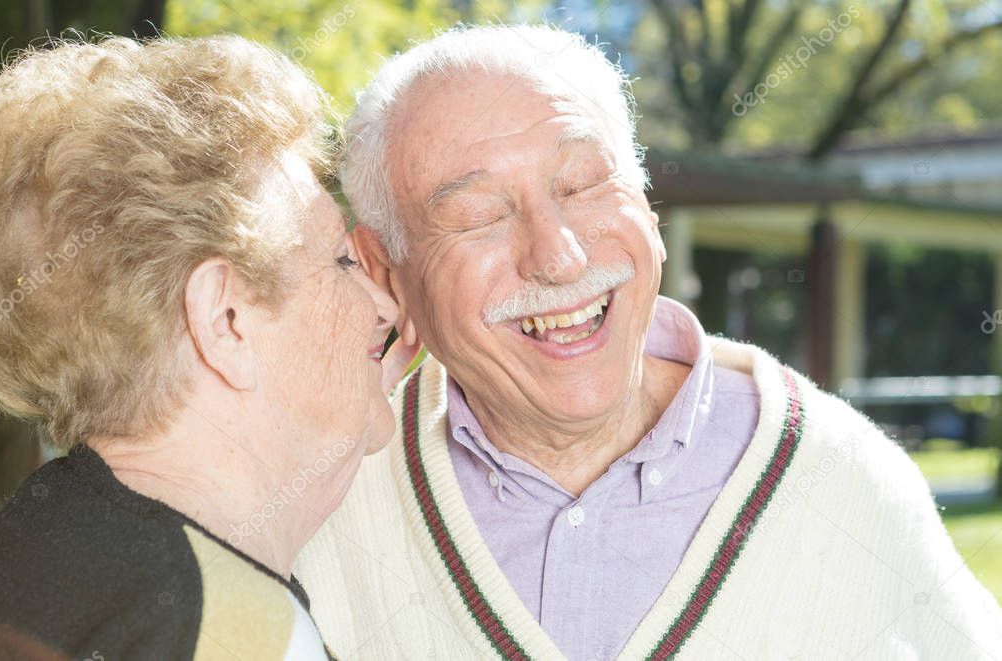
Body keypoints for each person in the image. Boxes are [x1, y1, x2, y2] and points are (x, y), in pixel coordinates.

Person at [294, 24, 1002, 660]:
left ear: (646, 203)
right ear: (383, 267)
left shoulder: (843, 479)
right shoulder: (320, 496)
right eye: (479, 216)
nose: (559, 257)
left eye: (581, 184)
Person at [0, 35, 416, 659]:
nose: (386, 306)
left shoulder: (34, 544)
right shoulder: (239, 630)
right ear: (226, 319)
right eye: (341, 261)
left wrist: (342, 404)